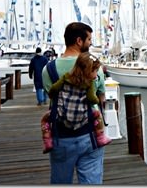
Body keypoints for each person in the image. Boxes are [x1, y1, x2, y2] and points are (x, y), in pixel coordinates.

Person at [42, 22, 106, 184]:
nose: (91, 43)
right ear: (79, 41)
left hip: (61, 136)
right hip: (90, 134)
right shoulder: (94, 67)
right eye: (89, 39)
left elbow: (52, 96)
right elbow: (101, 98)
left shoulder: (48, 70)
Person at [41, 52, 111, 154]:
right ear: (88, 71)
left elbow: (53, 89)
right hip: (83, 116)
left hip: (62, 114)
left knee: (44, 120)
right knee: (97, 114)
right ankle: (100, 136)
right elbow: (92, 99)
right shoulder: (89, 83)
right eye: (95, 71)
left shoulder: (66, 77)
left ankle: (47, 141)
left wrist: (53, 94)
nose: (96, 74)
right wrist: (96, 100)